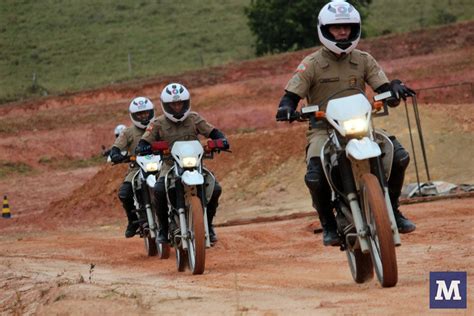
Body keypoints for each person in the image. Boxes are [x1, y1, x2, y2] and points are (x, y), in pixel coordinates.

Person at [275, 0, 416, 246]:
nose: (342, 32)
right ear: (324, 30)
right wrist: (286, 107)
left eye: (347, 27)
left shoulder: (363, 60)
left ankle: (392, 209)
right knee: (315, 175)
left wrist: (394, 88)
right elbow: (290, 96)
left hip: (362, 127)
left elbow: (383, 89)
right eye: (336, 28)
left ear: (355, 29)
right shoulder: (312, 63)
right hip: (324, 130)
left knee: (399, 156)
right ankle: (328, 223)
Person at [135, 83, 229, 245]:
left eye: (180, 104)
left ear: (186, 103)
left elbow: (212, 131)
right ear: (166, 105)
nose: (177, 108)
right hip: (169, 165)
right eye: (173, 104)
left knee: (215, 189)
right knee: (158, 190)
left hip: (195, 164)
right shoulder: (157, 123)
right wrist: (144, 146)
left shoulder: (194, 118)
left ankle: (208, 224)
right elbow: (144, 140)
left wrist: (221, 139)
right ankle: (164, 229)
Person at [109, 97, 155, 238]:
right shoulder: (128, 132)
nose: (143, 116)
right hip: (137, 168)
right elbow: (116, 146)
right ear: (134, 115)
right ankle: (133, 221)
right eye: (140, 114)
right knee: (124, 193)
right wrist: (116, 154)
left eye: (146, 113)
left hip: (160, 165)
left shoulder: (158, 126)